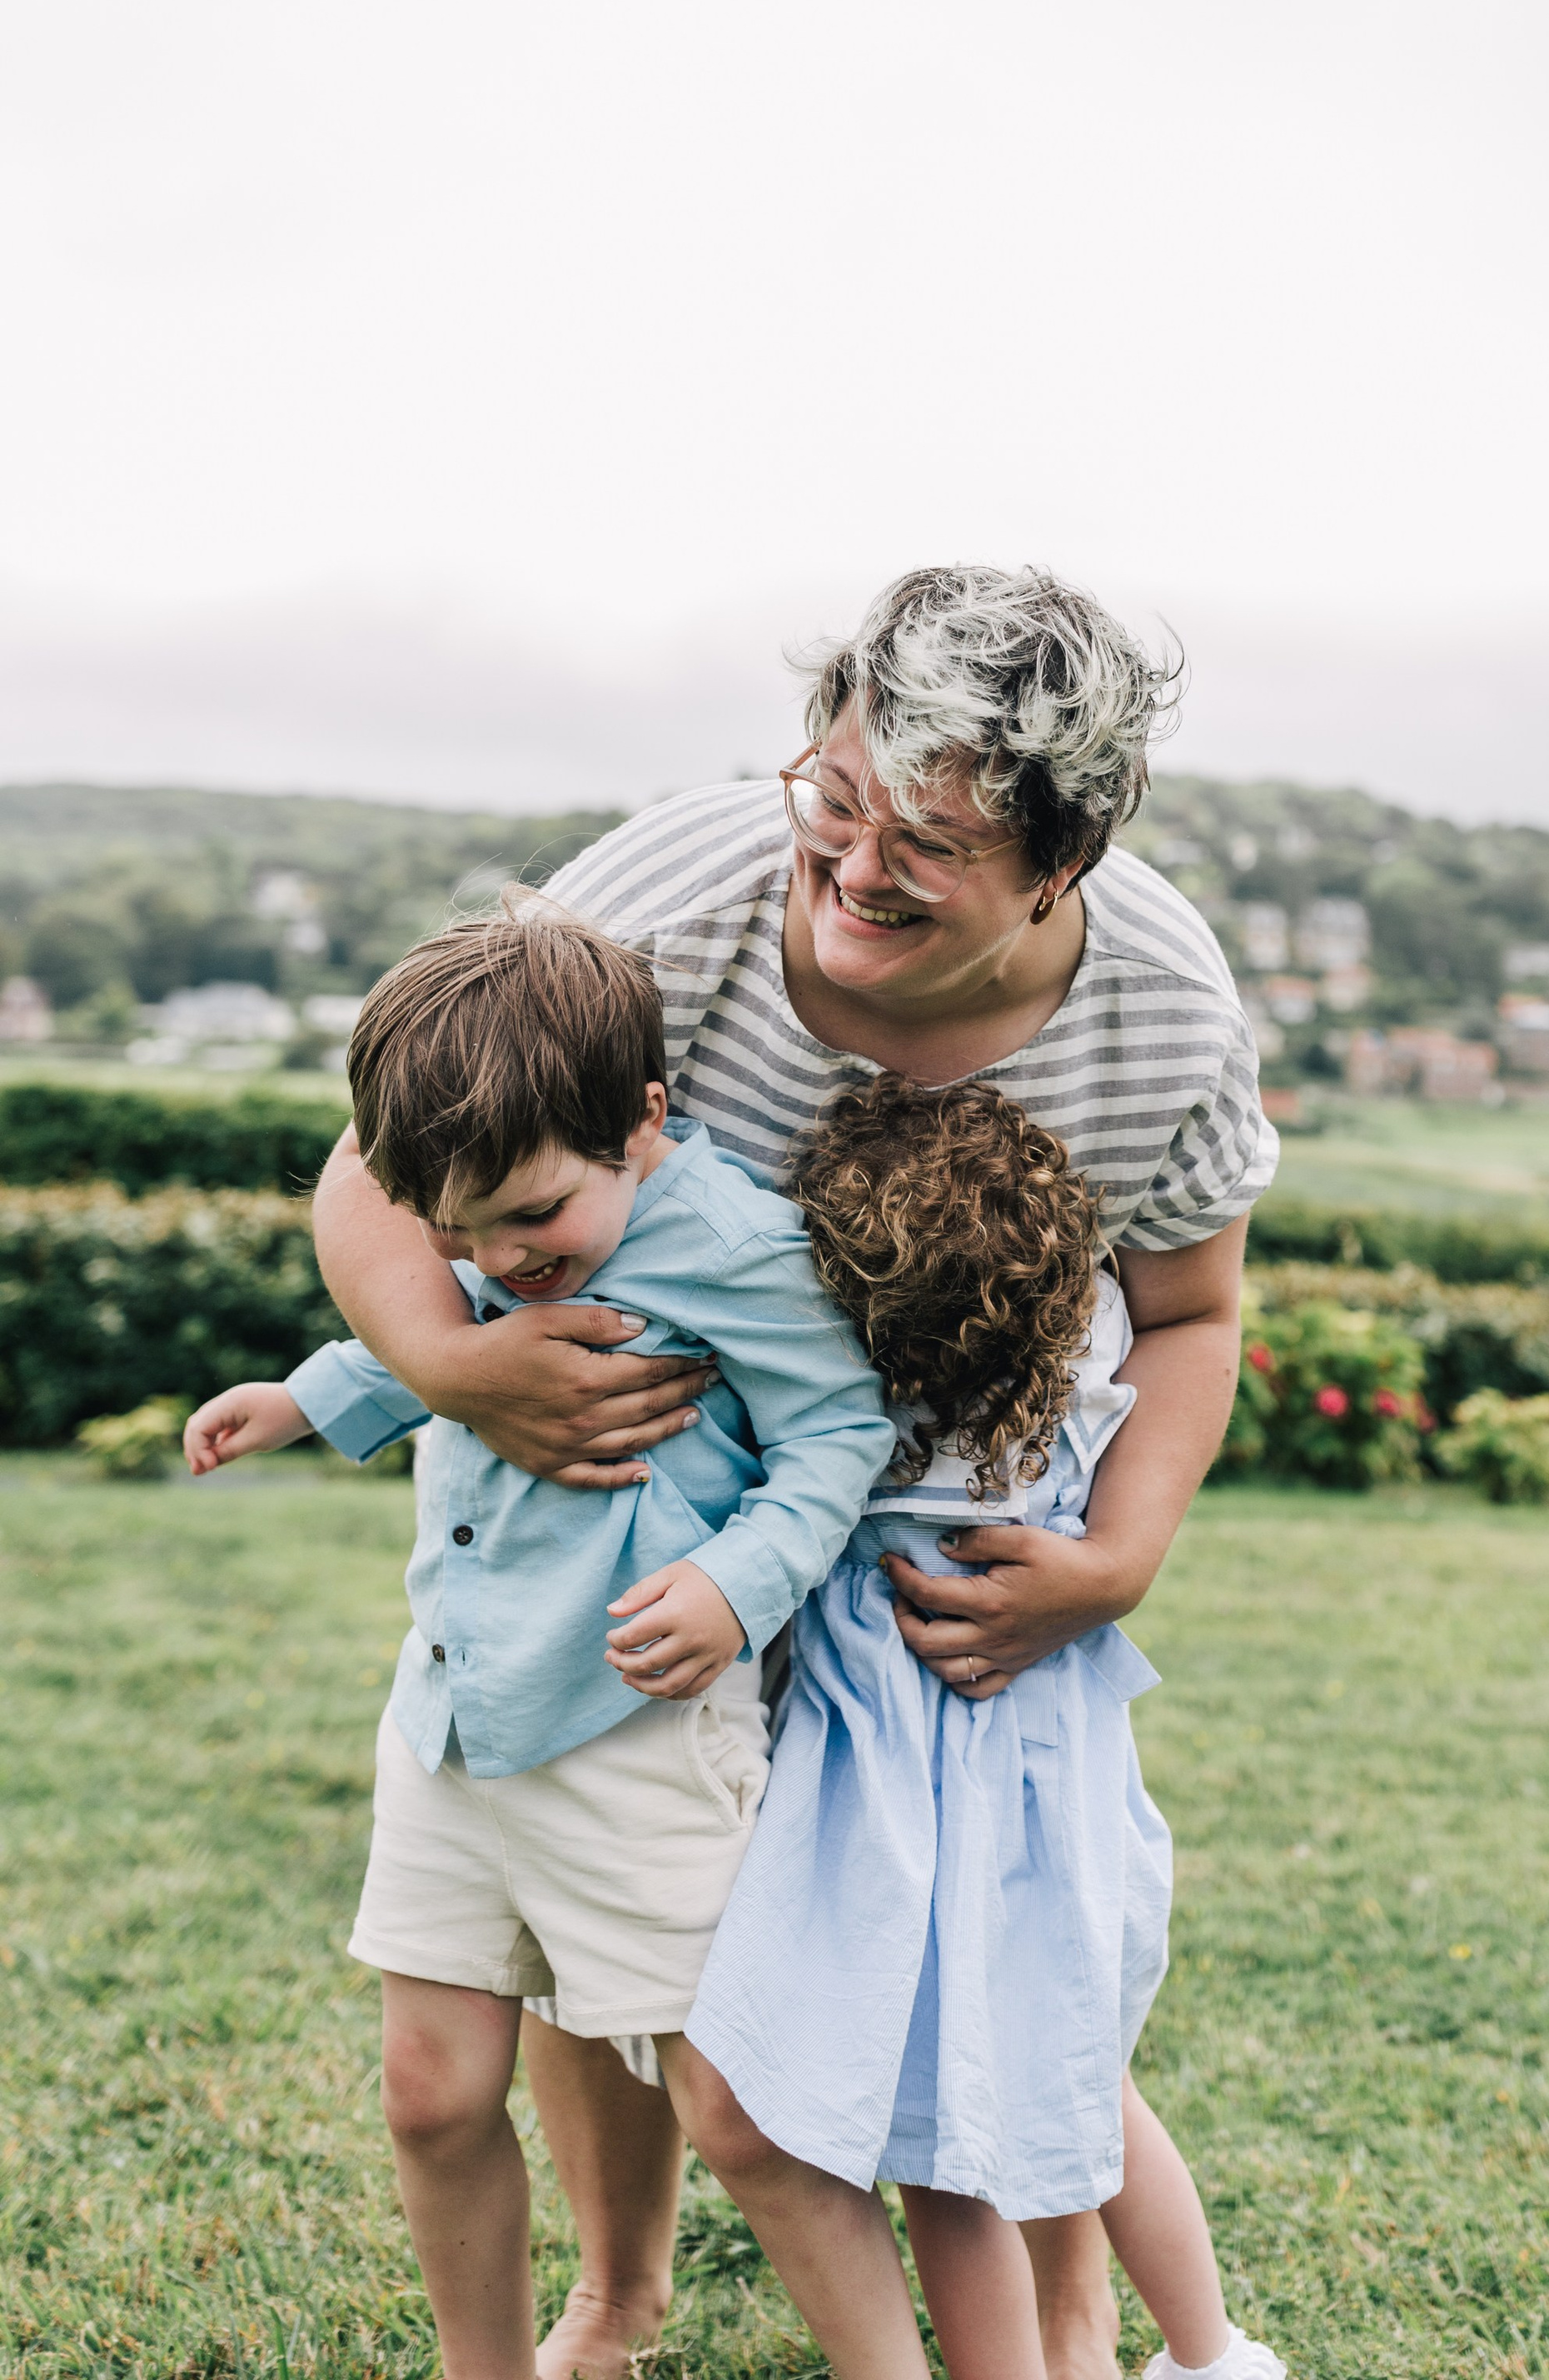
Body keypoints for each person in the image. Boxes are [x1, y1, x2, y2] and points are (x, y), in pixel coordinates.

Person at [309, 563, 1279, 2380]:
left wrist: (1118, 1559)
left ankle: (1074, 2319)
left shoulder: (1161, 1011)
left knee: (968, 1952)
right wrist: (452, 1366)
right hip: (638, 1540)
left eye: (926, 842)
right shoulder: (671, 902)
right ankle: (617, 2288)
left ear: (1059, 863)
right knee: (587, 1924)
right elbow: (388, 1160)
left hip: (915, 1588)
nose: (850, 864)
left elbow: (1194, 1313)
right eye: (831, 799)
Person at [181, 904, 894, 2380]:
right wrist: (314, 1398)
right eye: (457, 1232)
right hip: (452, 1719)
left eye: (530, 1219)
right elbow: (448, 1326)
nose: (500, 1260)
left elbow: (838, 1436)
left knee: (741, 2114)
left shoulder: (736, 1247)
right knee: (430, 2094)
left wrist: (737, 1586)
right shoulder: (507, 1222)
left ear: (641, 1122)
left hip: (637, 1734)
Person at [675, 1068, 1283, 2380]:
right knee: (1090, 2089)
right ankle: (1214, 2353)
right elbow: (1164, 1321)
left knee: (944, 2149)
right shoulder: (1091, 1370)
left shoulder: (857, 1428)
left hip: (904, 1827)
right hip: (1059, 1798)